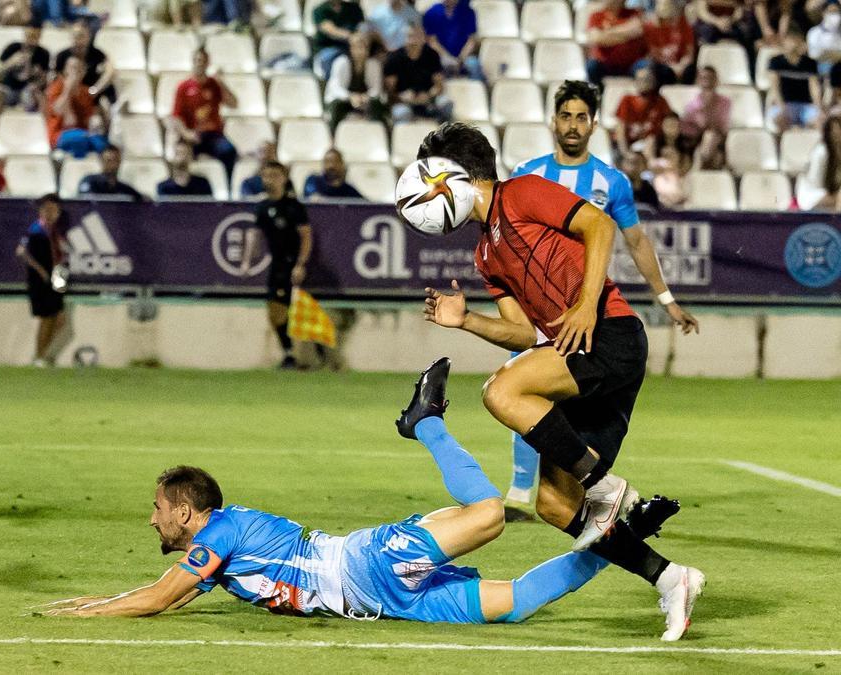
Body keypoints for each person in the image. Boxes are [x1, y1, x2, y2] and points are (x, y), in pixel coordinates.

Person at [42, 361, 684, 624]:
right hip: (380, 603)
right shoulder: (216, 550)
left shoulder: (221, 534)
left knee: (490, 514)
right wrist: (103, 599)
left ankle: (425, 422)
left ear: (185, 512)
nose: (151, 520)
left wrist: (88, 613)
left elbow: (159, 599)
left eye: (158, 509)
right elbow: (167, 595)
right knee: (515, 605)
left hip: (366, 564)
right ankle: (624, 542)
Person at [416, 122, 705, 641]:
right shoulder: (485, 252)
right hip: (578, 351)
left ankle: (606, 486)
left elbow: (599, 226)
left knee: (501, 392)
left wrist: (584, 304)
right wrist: (466, 321)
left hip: (609, 335)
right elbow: (522, 332)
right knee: (553, 503)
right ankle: (670, 578)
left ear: (456, 176)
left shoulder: (521, 192)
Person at [505, 81, 697, 522]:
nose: (572, 125)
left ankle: (577, 485)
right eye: (566, 116)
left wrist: (666, 299)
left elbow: (636, 241)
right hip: (537, 306)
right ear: (553, 121)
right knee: (521, 384)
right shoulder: (526, 173)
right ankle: (517, 492)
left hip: (586, 310)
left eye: (581, 117)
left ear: (593, 124)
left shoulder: (612, 182)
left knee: (564, 400)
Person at [241, 162, 311, 369]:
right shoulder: (263, 207)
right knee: (274, 309)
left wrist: (301, 264)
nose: (269, 179)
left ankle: (301, 353)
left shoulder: (294, 206)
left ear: (283, 177)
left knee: (294, 309)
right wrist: (247, 260)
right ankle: (289, 352)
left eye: (274, 175)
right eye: (266, 175)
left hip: (293, 263)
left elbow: (306, 236)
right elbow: (255, 235)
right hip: (277, 264)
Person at [16, 194, 68, 368]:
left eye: (53, 210)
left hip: (59, 274)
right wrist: (40, 271)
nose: (50, 213)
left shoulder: (56, 231)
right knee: (47, 316)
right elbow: (21, 251)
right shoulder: (36, 230)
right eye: (47, 209)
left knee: (60, 317)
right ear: (41, 211)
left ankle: (42, 353)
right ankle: (39, 356)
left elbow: (60, 255)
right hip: (44, 277)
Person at [170, 49, 239, 179]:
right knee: (181, 156)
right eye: (197, 60)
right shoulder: (183, 87)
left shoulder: (214, 84)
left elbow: (234, 104)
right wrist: (186, 133)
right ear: (192, 62)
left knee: (229, 151)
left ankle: (227, 188)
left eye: (203, 61)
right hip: (192, 136)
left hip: (213, 135)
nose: (199, 64)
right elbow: (176, 117)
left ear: (208, 63)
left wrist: (221, 83)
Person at [385, 24, 453, 124]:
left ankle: (444, 136)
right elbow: (389, 91)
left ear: (423, 38)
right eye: (410, 36)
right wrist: (401, 97)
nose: (414, 41)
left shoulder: (432, 55)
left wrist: (429, 95)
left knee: (446, 104)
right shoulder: (394, 58)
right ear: (404, 38)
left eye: (417, 36)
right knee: (401, 113)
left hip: (428, 99)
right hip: (403, 101)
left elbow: (439, 85)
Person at [0, 24, 51, 131]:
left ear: (39, 37)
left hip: (29, 91)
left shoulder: (43, 54)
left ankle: (44, 132)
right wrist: (10, 62)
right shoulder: (13, 48)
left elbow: (45, 82)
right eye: (29, 35)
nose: (31, 40)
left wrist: (39, 75)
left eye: (35, 36)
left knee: (40, 96)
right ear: (24, 34)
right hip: (10, 89)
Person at [324, 32, 389, 132]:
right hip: (345, 101)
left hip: (365, 100)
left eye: (364, 47)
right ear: (351, 48)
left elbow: (376, 89)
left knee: (377, 104)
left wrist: (365, 97)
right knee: (337, 105)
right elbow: (336, 88)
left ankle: (381, 136)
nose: (361, 51)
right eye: (358, 47)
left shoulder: (374, 64)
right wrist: (351, 97)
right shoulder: (341, 62)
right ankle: (332, 138)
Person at [46, 55, 108, 158]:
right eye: (73, 68)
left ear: (83, 72)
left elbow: (87, 121)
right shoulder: (57, 87)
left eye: (79, 69)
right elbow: (59, 111)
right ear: (65, 70)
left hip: (83, 133)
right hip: (59, 134)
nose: (76, 72)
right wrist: (68, 90)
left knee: (102, 144)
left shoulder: (85, 92)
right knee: (79, 140)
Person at [767, 31, 823, 133]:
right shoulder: (775, 62)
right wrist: (782, 108)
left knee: (819, 121)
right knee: (780, 120)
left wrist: (819, 108)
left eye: (795, 40)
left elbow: (814, 88)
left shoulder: (810, 64)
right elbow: (775, 88)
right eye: (790, 40)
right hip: (784, 104)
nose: (792, 44)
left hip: (805, 105)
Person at [585, 0, 648, 87]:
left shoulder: (634, 13)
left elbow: (637, 29)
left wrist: (606, 33)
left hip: (631, 64)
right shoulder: (596, 16)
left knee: (647, 67)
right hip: (605, 64)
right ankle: (598, 95)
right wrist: (627, 33)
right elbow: (596, 38)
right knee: (591, 66)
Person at [54, 20, 116, 108]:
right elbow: (58, 77)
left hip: (91, 91)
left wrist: (94, 90)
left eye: (81, 36)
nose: (78, 39)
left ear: (88, 37)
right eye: (75, 36)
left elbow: (110, 72)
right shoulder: (62, 55)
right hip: (70, 92)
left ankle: (113, 110)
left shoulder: (97, 54)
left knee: (110, 88)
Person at [615, 66, 673, 156]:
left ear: (654, 82)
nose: (644, 82)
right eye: (640, 79)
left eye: (648, 79)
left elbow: (669, 124)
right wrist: (625, 152)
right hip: (630, 145)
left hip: (655, 147)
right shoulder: (627, 100)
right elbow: (620, 128)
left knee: (651, 140)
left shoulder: (661, 101)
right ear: (635, 82)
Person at [642, 0, 697, 86]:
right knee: (661, 70)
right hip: (663, 65)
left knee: (690, 71)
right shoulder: (651, 27)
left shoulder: (685, 26)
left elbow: (689, 53)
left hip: (680, 64)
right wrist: (672, 66)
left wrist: (681, 66)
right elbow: (654, 54)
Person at [421, 0, 480, 78]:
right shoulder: (432, 12)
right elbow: (431, 41)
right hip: (440, 56)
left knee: (473, 64)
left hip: (464, 57)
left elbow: (471, 40)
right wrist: (447, 58)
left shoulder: (468, 12)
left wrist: (461, 59)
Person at [312, 0, 366, 79]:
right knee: (336, 60)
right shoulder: (320, 10)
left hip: (352, 47)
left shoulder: (354, 8)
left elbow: (362, 28)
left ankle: (358, 81)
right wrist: (351, 36)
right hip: (328, 49)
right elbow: (329, 29)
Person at [799, 113, 841, 209]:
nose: (836, 134)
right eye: (833, 131)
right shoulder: (821, 152)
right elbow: (815, 183)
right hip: (815, 195)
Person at [77, 144, 143, 200]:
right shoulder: (90, 181)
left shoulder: (125, 189)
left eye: (116, 160)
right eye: (109, 160)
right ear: (101, 161)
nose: (113, 164)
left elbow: (141, 200)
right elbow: (85, 201)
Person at [808, 0, 841, 76]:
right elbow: (814, 55)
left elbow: (823, 54)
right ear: (823, 13)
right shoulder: (814, 32)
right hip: (822, 70)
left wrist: (827, 54)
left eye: (837, 12)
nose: (835, 15)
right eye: (831, 12)